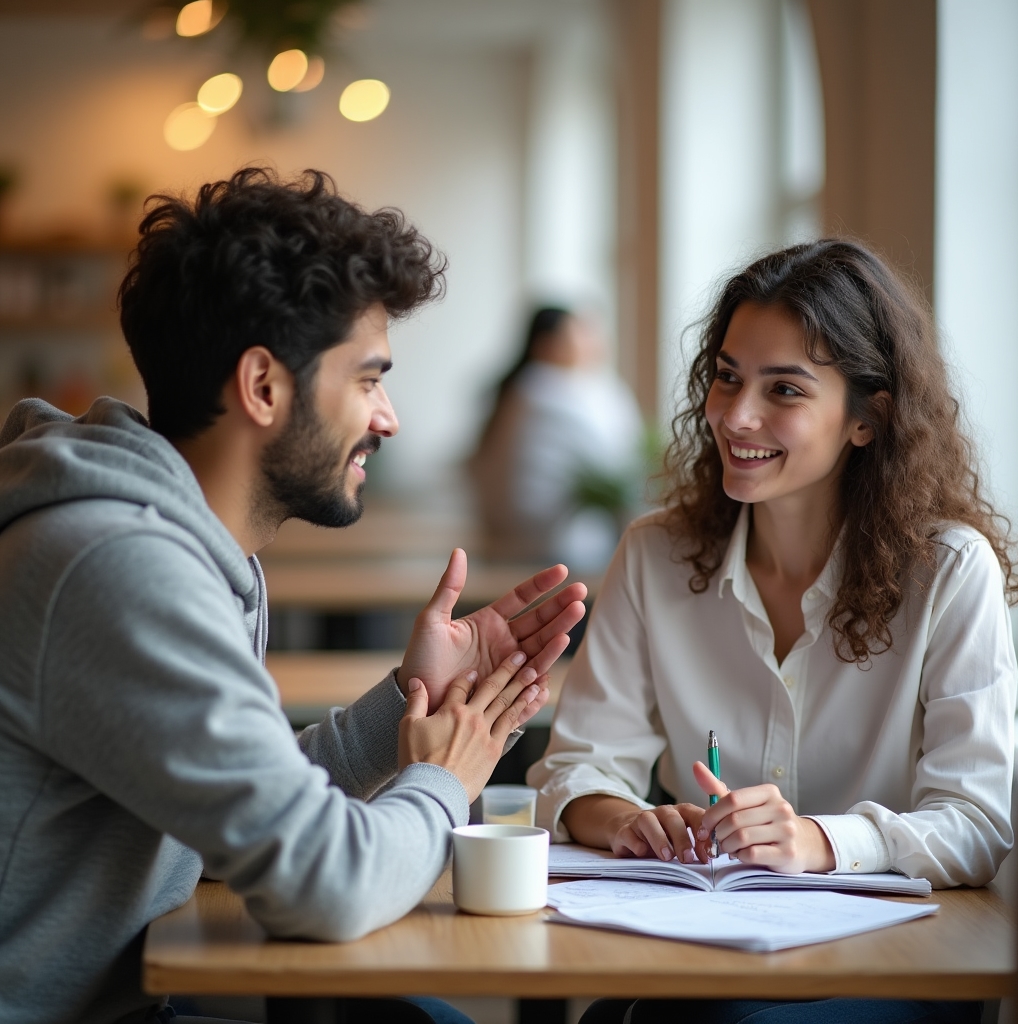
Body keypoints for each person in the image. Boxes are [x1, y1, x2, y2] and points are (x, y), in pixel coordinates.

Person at [0, 168, 587, 1024]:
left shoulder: (175, 543)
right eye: (367, 379)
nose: (387, 418)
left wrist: (405, 708)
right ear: (264, 386)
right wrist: (440, 784)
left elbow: (248, 809)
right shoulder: (117, 565)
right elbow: (324, 886)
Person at [527, 240, 1018, 1024]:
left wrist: (821, 842)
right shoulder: (655, 557)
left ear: (867, 419)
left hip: (889, 970)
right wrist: (629, 820)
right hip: (703, 956)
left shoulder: (951, 572)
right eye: (727, 377)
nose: (735, 416)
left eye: (783, 389)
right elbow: (575, 769)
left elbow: (976, 825)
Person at [471, 306, 644, 570]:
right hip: (555, 549)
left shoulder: (517, 390)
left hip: (511, 539)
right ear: (548, 345)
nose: (594, 342)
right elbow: (621, 466)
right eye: (581, 334)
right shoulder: (553, 392)